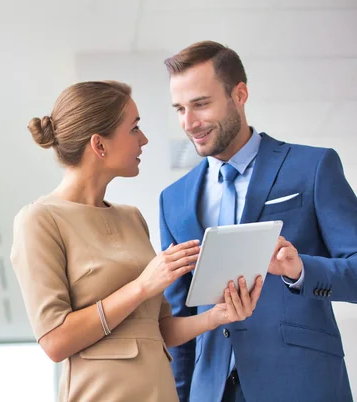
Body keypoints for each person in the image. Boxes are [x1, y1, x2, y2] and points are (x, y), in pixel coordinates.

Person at [10, 80, 263, 402]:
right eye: (134, 129)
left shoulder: (131, 217)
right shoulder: (39, 220)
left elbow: (159, 329)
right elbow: (55, 341)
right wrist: (143, 285)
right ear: (99, 145)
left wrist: (217, 315)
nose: (143, 139)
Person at [160, 40, 357, 402]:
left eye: (201, 104)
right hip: (212, 392)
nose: (189, 123)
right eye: (179, 109)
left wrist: (300, 270)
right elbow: (179, 316)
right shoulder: (173, 200)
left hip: (302, 384)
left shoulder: (312, 168)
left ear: (239, 94)